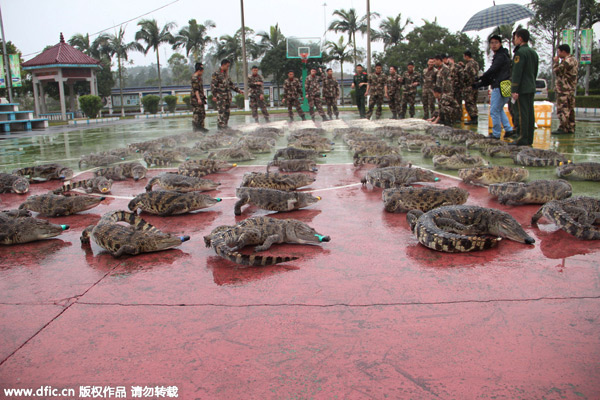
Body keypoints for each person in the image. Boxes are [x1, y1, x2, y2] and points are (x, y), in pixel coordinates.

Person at [474, 35, 514, 139]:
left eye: (496, 42)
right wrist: (481, 83)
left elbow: (493, 70)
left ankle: (496, 134)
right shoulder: (503, 55)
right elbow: (493, 73)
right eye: (491, 43)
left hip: (499, 86)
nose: (493, 45)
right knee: (499, 109)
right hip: (505, 85)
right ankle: (508, 129)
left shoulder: (500, 56)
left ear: (500, 44)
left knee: (494, 110)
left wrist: (481, 77)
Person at [510, 29, 539, 146]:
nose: (514, 40)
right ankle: (528, 139)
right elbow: (535, 71)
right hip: (530, 87)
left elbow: (517, 73)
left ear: (520, 38)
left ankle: (521, 139)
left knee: (522, 114)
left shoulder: (520, 53)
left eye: (515, 37)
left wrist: (514, 90)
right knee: (530, 113)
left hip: (521, 88)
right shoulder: (533, 53)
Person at [552, 44, 578, 135]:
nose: (558, 54)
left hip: (564, 89)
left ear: (563, 52)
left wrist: (555, 62)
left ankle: (563, 127)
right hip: (570, 89)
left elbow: (557, 71)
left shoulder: (566, 61)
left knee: (563, 108)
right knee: (570, 109)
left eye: (559, 52)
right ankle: (570, 127)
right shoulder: (574, 60)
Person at [211, 59, 243, 130]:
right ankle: (220, 126)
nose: (228, 68)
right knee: (221, 112)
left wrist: (238, 90)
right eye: (227, 66)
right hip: (220, 96)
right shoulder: (216, 74)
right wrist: (214, 95)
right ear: (223, 65)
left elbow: (231, 85)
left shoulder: (226, 74)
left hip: (227, 97)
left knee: (227, 112)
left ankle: (225, 125)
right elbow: (213, 86)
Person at [462, 50, 480, 125]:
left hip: (469, 86)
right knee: (474, 102)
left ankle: (473, 118)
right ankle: (475, 118)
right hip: (476, 85)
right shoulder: (476, 63)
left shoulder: (468, 64)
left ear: (466, 56)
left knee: (469, 103)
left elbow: (466, 75)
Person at [190, 62, 207, 132]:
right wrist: (199, 99)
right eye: (202, 70)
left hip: (200, 98)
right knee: (197, 114)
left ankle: (201, 128)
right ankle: (196, 129)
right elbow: (196, 90)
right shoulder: (194, 78)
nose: (202, 72)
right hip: (196, 100)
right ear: (199, 70)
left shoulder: (199, 78)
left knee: (202, 114)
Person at [448, 56, 463, 122]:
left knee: (458, 103)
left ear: (452, 60)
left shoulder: (458, 67)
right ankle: (452, 117)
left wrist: (460, 86)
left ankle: (458, 117)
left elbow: (462, 77)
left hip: (457, 88)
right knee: (452, 103)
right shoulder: (448, 68)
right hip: (450, 89)